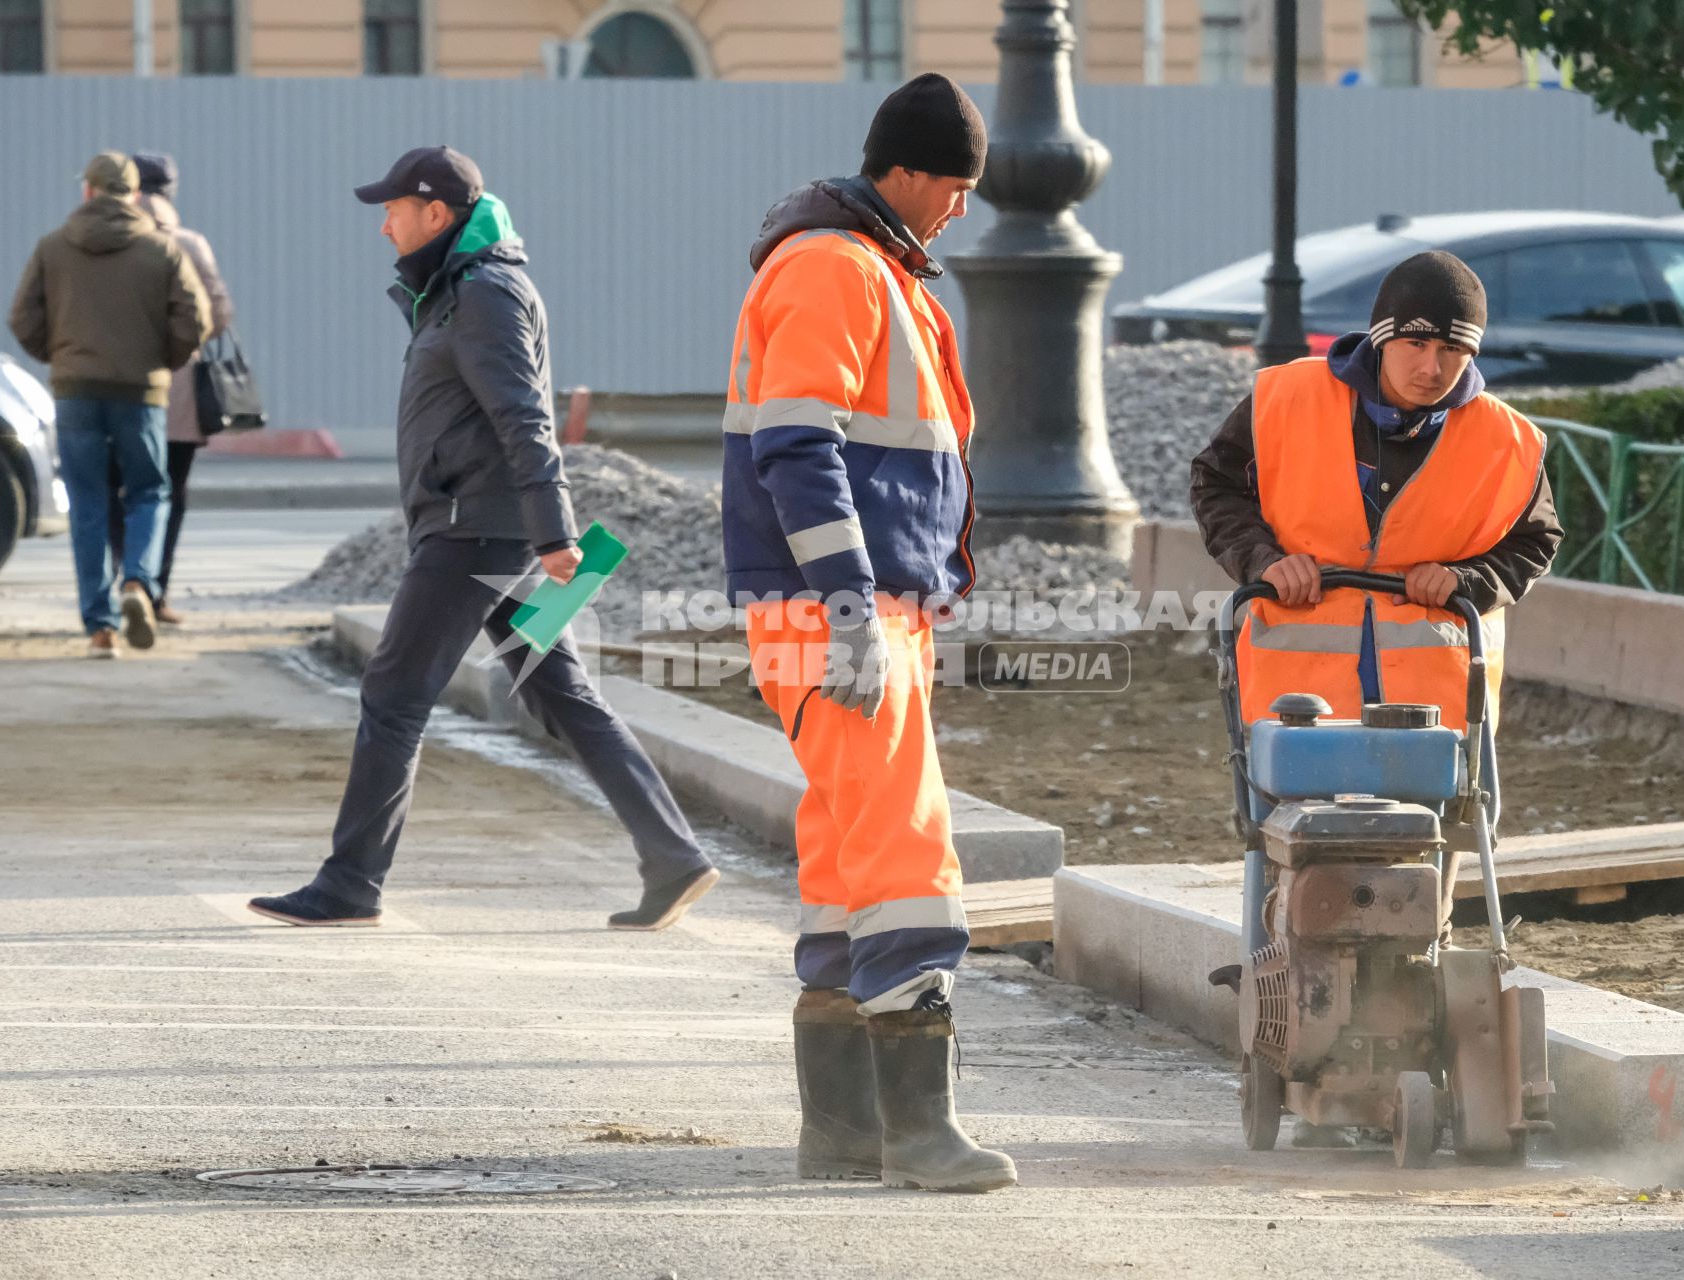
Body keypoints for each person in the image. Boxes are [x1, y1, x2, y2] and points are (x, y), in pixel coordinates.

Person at [248, 146, 718, 933]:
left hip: (474, 536)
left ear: (436, 214)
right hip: (485, 531)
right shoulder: (456, 291)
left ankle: (350, 883)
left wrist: (554, 529)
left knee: (394, 697)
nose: (384, 227)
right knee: (560, 692)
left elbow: (524, 417)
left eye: (392, 210)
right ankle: (672, 857)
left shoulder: (484, 294)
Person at [721, 74, 1016, 1193]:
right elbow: (799, 446)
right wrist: (849, 600)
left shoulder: (853, 267)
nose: (961, 207)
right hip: (843, 611)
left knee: (847, 858)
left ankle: (842, 1129)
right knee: (904, 852)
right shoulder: (840, 269)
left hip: (847, 609)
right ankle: (919, 1131)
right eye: (957, 184)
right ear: (906, 173)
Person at [1190, 250, 1563, 732]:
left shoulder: (1510, 440)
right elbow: (1216, 485)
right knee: (1295, 803)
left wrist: (1464, 581)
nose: (1432, 368)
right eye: (1416, 343)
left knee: (1430, 808)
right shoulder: (1284, 399)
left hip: (1438, 704)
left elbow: (1537, 540)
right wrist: (1264, 562)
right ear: (1382, 339)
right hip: (1297, 695)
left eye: (1453, 350)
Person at [8, 152, 210, 658]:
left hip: (75, 391)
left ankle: (100, 629)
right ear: (136, 195)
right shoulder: (162, 250)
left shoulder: (53, 248)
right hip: (140, 394)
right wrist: (161, 359)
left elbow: (22, 318)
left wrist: (59, 355)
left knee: (88, 502)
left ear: (89, 192)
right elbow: (196, 320)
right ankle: (138, 583)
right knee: (148, 492)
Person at [103, 152, 236, 626]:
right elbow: (219, 316)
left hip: (116, 387)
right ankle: (154, 592)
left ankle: (126, 577)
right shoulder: (190, 245)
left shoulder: (111, 242)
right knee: (168, 494)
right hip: (177, 397)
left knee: (115, 487)